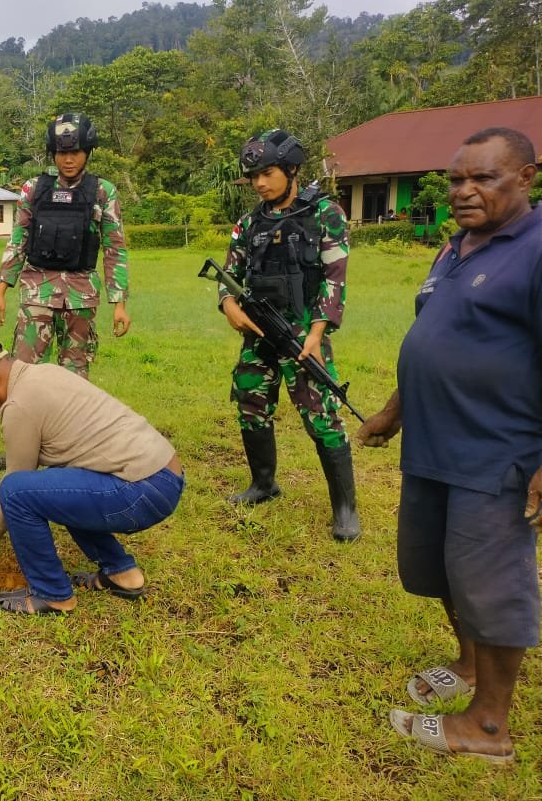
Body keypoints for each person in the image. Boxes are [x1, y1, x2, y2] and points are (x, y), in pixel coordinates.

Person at [358, 127, 542, 765]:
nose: (464, 191)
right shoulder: (455, 247)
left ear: (526, 177)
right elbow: (435, 339)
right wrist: (390, 413)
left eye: (482, 178)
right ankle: (467, 664)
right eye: (455, 180)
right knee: (442, 571)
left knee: (489, 585)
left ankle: (489, 728)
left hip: (495, 455)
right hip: (433, 448)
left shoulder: (537, 249)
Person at [0, 337, 184, 615]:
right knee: (56, 482)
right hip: (164, 477)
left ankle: (53, 595)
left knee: (18, 492)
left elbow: (16, 486)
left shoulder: (19, 405)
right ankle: (123, 575)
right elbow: (23, 466)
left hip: (142, 489)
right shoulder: (43, 373)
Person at [217, 128, 359, 542]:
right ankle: (264, 484)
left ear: (292, 169)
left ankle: (346, 509)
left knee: (322, 414)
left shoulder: (324, 213)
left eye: (267, 173)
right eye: (253, 176)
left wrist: (317, 333)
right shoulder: (248, 222)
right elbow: (229, 274)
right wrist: (228, 305)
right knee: (250, 402)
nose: (259, 183)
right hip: (258, 330)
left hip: (302, 334)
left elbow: (336, 278)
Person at [0, 113, 130, 470]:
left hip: (81, 297)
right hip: (36, 292)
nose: (69, 159)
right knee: (21, 372)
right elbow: (18, 240)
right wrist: (1, 290)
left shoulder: (102, 191)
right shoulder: (33, 189)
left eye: (77, 151)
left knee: (74, 373)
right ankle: (18, 447)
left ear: (87, 152)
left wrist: (119, 303)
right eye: (61, 152)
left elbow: (115, 248)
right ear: (52, 153)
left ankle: (69, 449)